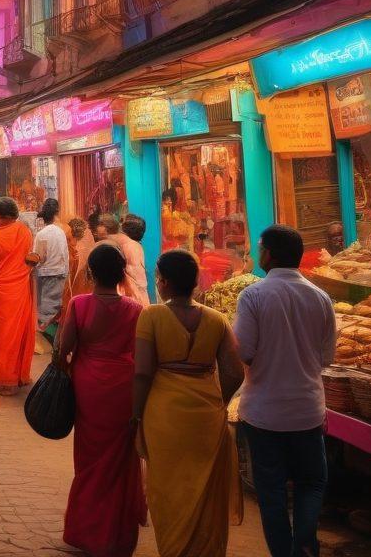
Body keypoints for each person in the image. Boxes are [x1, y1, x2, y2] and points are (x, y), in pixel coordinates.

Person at [132, 250, 245, 557]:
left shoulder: (151, 316)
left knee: (167, 489)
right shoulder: (217, 320)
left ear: (163, 282)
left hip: (164, 413)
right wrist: (216, 402)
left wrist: (137, 414)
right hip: (208, 414)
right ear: (196, 281)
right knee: (205, 491)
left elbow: (142, 372)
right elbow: (234, 372)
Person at [234, 225, 337, 557]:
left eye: (259, 247)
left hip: (264, 412)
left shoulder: (253, 295)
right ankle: (304, 545)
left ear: (269, 254)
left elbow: (244, 351)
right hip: (307, 410)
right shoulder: (320, 297)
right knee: (311, 483)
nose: (256, 252)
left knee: (271, 491)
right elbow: (327, 357)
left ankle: (283, 552)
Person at [54, 243, 146, 557]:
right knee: (120, 461)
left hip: (88, 386)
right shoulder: (135, 309)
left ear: (91, 273)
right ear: (122, 273)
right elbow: (140, 355)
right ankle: (117, 536)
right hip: (123, 386)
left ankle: (88, 531)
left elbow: (64, 349)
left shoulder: (79, 305)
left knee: (89, 459)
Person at [0, 197, 36, 394]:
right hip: (21, 289)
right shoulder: (24, 231)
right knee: (18, 331)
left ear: (1, 215)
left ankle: (5, 379)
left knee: (2, 335)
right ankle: (17, 376)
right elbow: (29, 256)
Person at [32, 199, 69, 337]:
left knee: (45, 311)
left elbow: (38, 257)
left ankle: (49, 339)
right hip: (60, 273)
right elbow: (65, 256)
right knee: (56, 308)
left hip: (46, 275)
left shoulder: (42, 234)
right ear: (57, 213)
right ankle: (56, 339)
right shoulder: (60, 232)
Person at [101, 213, 148, 305]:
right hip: (136, 297)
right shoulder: (136, 246)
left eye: (121, 222)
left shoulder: (129, 245)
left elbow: (134, 283)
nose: (119, 225)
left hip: (131, 298)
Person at [121, 213, 151, 302]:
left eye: (121, 225)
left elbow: (133, 278)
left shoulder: (129, 246)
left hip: (134, 298)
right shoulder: (136, 245)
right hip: (139, 297)